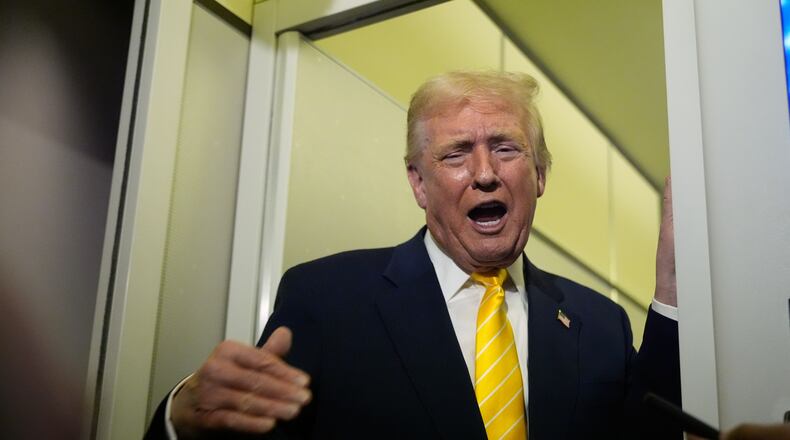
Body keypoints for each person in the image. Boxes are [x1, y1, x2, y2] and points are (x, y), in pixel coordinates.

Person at [145, 71, 681, 439]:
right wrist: (184, 420)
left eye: (505, 147)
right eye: (455, 154)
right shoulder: (327, 300)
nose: (485, 172)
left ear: (539, 174)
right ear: (419, 184)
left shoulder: (599, 324)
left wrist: (675, 286)